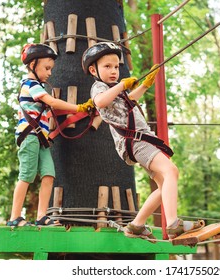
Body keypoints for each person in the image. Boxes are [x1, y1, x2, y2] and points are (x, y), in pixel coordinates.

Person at [82, 42, 204, 240]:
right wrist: (122, 84)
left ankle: (137, 225)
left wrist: (145, 85)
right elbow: (100, 102)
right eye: (107, 67)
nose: (114, 71)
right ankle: (173, 223)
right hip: (135, 141)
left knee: (165, 182)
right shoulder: (99, 87)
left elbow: (129, 102)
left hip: (140, 140)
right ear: (93, 69)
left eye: (116, 66)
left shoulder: (114, 89)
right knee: (170, 171)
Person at [7, 43, 93, 227]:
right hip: (29, 136)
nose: (50, 73)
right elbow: (51, 101)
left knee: (48, 174)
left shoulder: (37, 86)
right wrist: (78, 107)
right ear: (32, 65)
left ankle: (41, 216)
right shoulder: (31, 84)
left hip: (42, 138)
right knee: (26, 175)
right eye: (47, 68)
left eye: (51, 69)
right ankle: (14, 217)